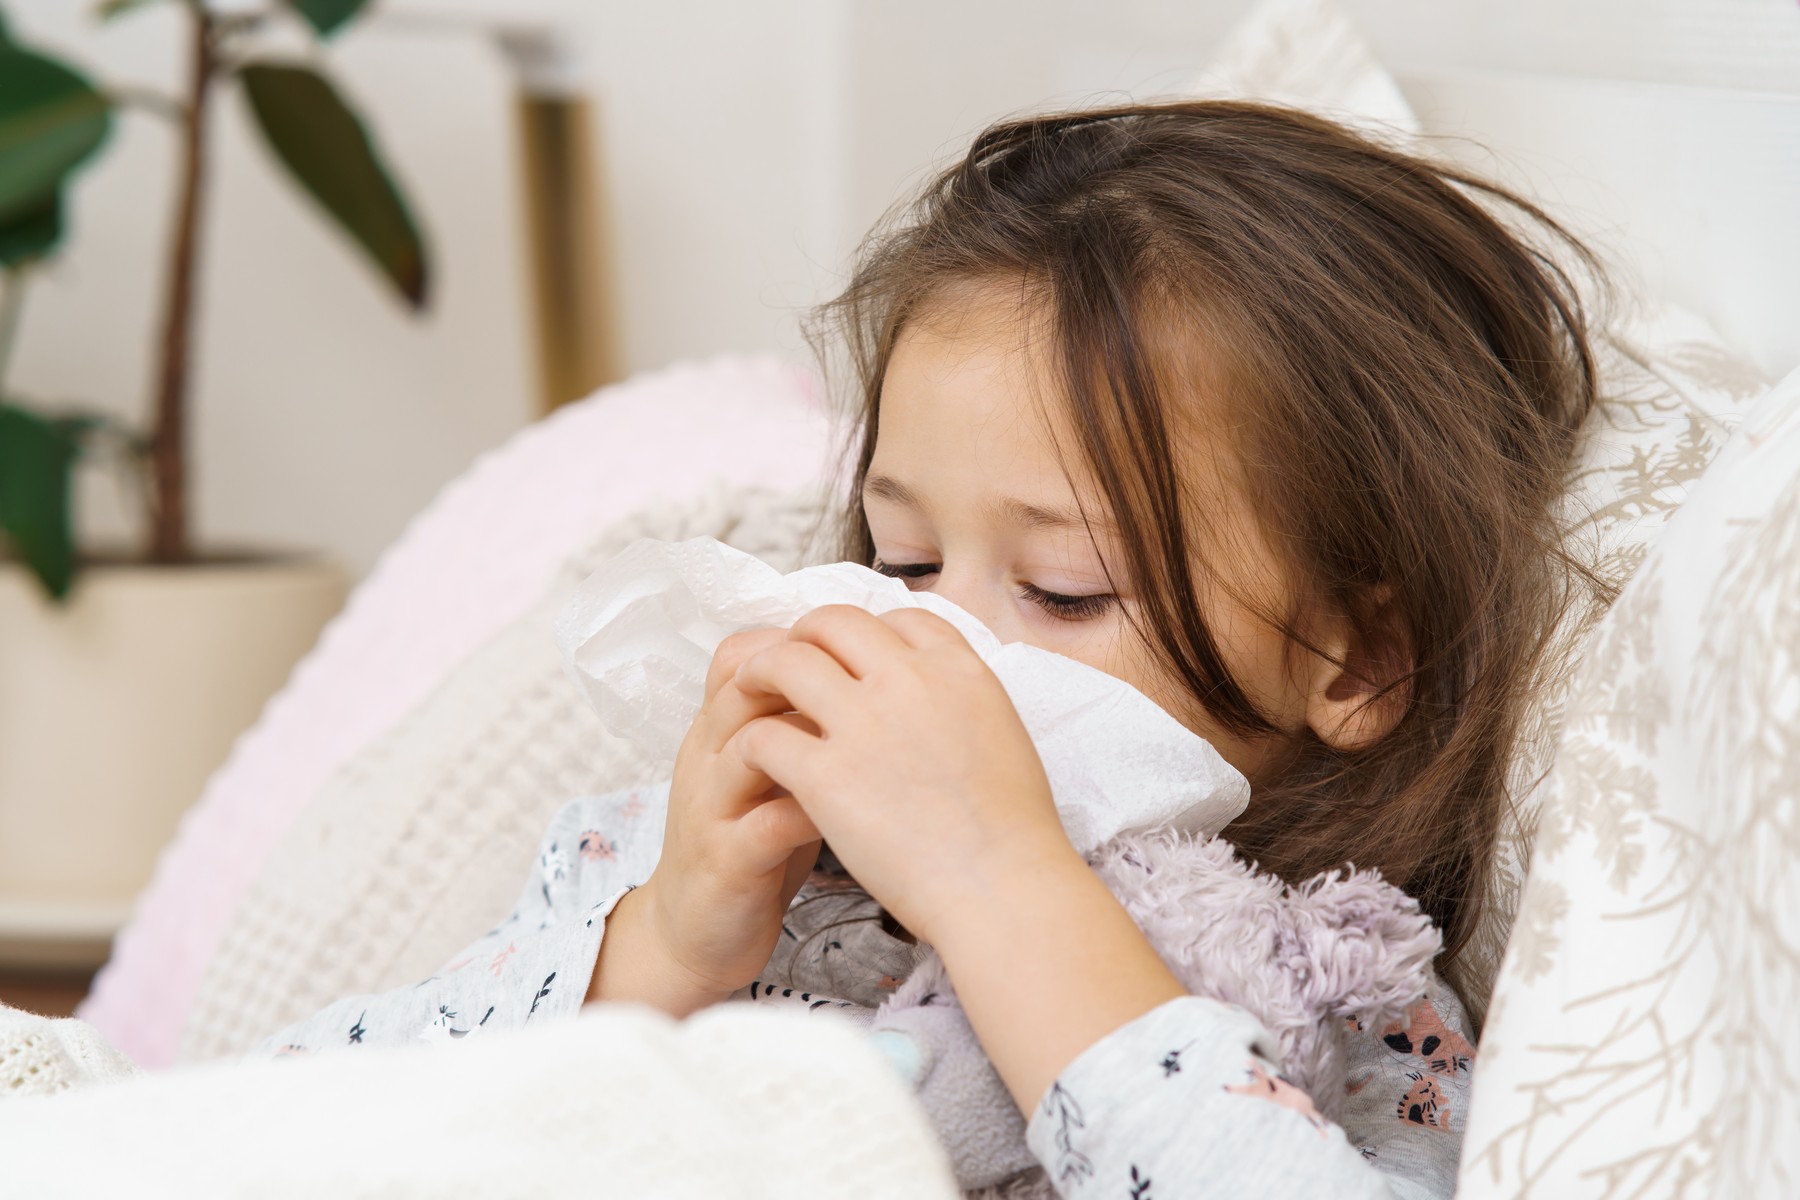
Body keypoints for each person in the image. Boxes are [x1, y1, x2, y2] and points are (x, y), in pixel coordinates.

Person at [258, 100, 1602, 1198]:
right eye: (903, 562)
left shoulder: (1340, 996)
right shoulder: (710, 865)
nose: (938, 635)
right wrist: (661, 943)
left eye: (1066, 591)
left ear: (1356, 662)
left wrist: (999, 883)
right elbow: (311, 1127)